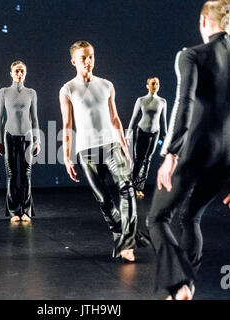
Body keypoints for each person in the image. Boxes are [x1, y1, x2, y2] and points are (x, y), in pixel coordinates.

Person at [147, 0, 230, 299]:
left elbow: (183, 105)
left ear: (202, 20)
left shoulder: (191, 55)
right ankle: (187, 288)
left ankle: (179, 285)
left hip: (198, 148)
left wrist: (170, 154)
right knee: (191, 218)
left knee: (157, 218)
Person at [59, 41, 149, 262]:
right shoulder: (67, 89)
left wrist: (124, 146)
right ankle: (125, 234)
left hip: (111, 145)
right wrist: (67, 155)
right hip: (86, 151)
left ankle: (127, 244)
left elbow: (115, 118)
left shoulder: (107, 85)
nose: (88, 61)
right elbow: (67, 124)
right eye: (83, 58)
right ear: (74, 62)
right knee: (104, 200)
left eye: (91, 56)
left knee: (127, 189)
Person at [0, 61, 41, 223]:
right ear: (11, 73)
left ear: (25, 73)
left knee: (26, 174)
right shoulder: (4, 92)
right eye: (16, 71)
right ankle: (14, 211)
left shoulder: (31, 93)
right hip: (9, 135)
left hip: (28, 136)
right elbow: (0, 118)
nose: (19, 74)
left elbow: (34, 118)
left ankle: (26, 211)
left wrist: (38, 141)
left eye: (22, 71)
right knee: (11, 174)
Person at [126, 77, 167, 199]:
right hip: (141, 132)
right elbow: (134, 117)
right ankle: (130, 186)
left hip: (155, 133)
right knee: (139, 159)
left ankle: (139, 187)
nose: (156, 86)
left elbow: (163, 121)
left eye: (157, 84)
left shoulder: (162, 101)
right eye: (153, 83)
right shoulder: (141, 100)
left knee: (147, 160)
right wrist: (128, 133)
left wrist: (166, 137)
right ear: (147, 85)